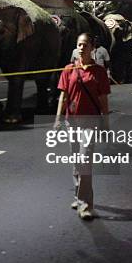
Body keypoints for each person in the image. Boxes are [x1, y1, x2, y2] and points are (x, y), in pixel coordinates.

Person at [56, 33, 110, 220]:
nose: (81, 48)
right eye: (79, 44)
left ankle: (86, 205)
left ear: (92, 48)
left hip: (91, 122)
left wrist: (106, 122)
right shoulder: (69, 69)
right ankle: (78, 195)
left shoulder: (99, 72)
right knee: (76, 160)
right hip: (72, 122)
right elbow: (63, 96)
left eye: (85, 45)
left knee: (85, 159)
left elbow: (103, 98)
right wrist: (57, 119)